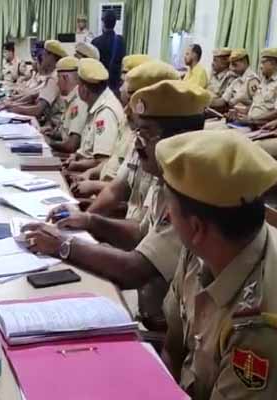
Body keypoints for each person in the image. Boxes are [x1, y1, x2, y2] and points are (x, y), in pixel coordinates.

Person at [22, 80, 210, 332]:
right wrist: (90, 221)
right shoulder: (164, 178)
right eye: (137, 133)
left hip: (163, 327)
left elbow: (136, 269)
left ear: (177, 139)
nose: (137, 144)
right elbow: (141, 233)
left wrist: (64, 245)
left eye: (146, 134)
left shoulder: (192, 193)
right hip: (150, 314)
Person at [159, 130, 277, 399]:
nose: (166, 215)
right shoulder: (200, 250)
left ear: (196, 227)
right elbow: (172, 348)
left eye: (170, 208)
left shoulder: (260, 326)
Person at [84, 61, 180, 220]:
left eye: (133, 104)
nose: (125, 111)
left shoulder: (162, 149)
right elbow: (115, 190)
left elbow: (140, 228)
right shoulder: (140, 138)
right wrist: (85, 218)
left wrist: (89, 221)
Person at [69, 56, 166, 198]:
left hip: (106, 196)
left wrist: (92, 185)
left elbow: (124, 192)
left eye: (124, 83)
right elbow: (112, 162)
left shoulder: (144, 135)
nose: (120, 88)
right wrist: (89, 173)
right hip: (102, 192)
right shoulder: (129, 121)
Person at [62, 58, 124, 175]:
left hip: (91, 177)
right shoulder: (97, 105)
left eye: (78, 85)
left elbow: (103, 162)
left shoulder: (105, 113)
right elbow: (88, 151)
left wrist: (76, 165)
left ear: (84, 90)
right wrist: (76, 156)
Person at [6, 40, 67, 122]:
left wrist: (12, 108)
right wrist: (12, 103)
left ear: (51, 57)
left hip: (51, 124)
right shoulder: (51, 76)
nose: (42, 58)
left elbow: (37, 110)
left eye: (44, 55)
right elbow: (33, 96)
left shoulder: (54, 78)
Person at [43, 56, 88, 155]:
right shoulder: (71, 99)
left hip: (70, 157)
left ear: (65, 78)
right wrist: (53, 134)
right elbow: (67, 134)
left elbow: (71, 145)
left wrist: (48, 142)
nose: (57, 83)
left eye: (58, 78)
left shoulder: (78, 102)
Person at [232, 48, 277, 128]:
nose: (260, 67)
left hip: (264, 127)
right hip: (250, 123)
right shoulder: (264, 81)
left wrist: (252, 119)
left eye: (263, 62)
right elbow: (258, 105)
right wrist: (243, 111)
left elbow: (275, 112)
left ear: (273, 64)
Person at [92, 10, 125, 93]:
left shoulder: (96, 42)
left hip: (100, 84)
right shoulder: (121, 41)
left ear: (103, 23)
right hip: (115, 84)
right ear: (115, 23)